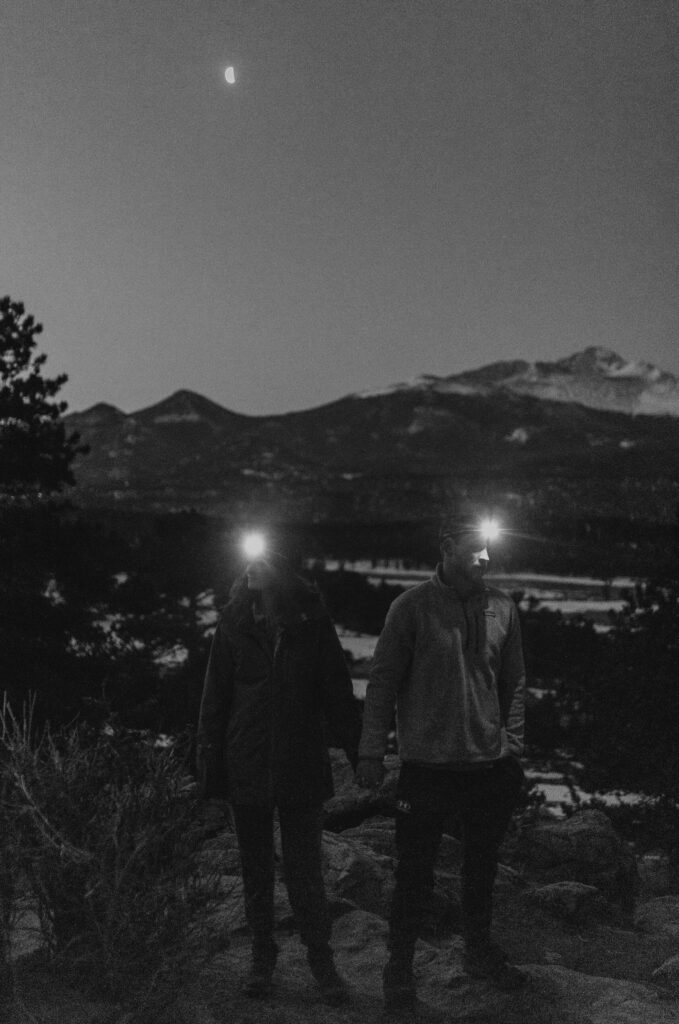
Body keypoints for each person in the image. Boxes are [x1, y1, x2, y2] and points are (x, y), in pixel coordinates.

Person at [355, 512, 527, 1013]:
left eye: (490, 549)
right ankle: (399, 968)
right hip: (427, 768)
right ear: (448, 546)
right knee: (414, 873)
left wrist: (512, 746)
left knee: (481, 868)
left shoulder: (502, 607)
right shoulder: (411, 608)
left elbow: (514, 682)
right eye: (476, 548)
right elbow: (382, 684)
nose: (486, 559)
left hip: (488, 767)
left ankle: (478, 951)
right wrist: (370, 752)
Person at [197, 541, 362, 1005]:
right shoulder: (232, 624)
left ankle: (321, 962)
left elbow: (337, 693)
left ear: (284, 568)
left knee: (305, 868)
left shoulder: (311, 624)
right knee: (254, 868)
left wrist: (360, 755)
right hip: (245, 761)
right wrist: (210, 769)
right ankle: (262, 958)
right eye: (247, 558)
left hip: (300, 764)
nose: (250, 567)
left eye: (262, 559)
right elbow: (215, 699)